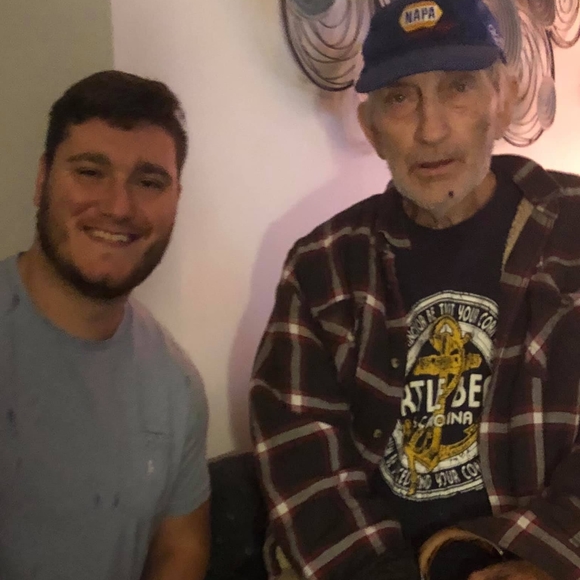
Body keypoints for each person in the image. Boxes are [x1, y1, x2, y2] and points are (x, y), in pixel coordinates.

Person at [249, 0, 580, 578]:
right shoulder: (321, 267)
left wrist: (548, 554)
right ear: (372, 128)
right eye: (401, 98)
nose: (431, 129)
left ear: (503, 100)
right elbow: (302, 466)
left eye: (459, 87)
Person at [0, 71, 210, 580]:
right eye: (90, 172)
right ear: (42, 179)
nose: (118, 207)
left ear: (177, 199)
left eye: (149, 182)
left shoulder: (177, 387)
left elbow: (180, 549)